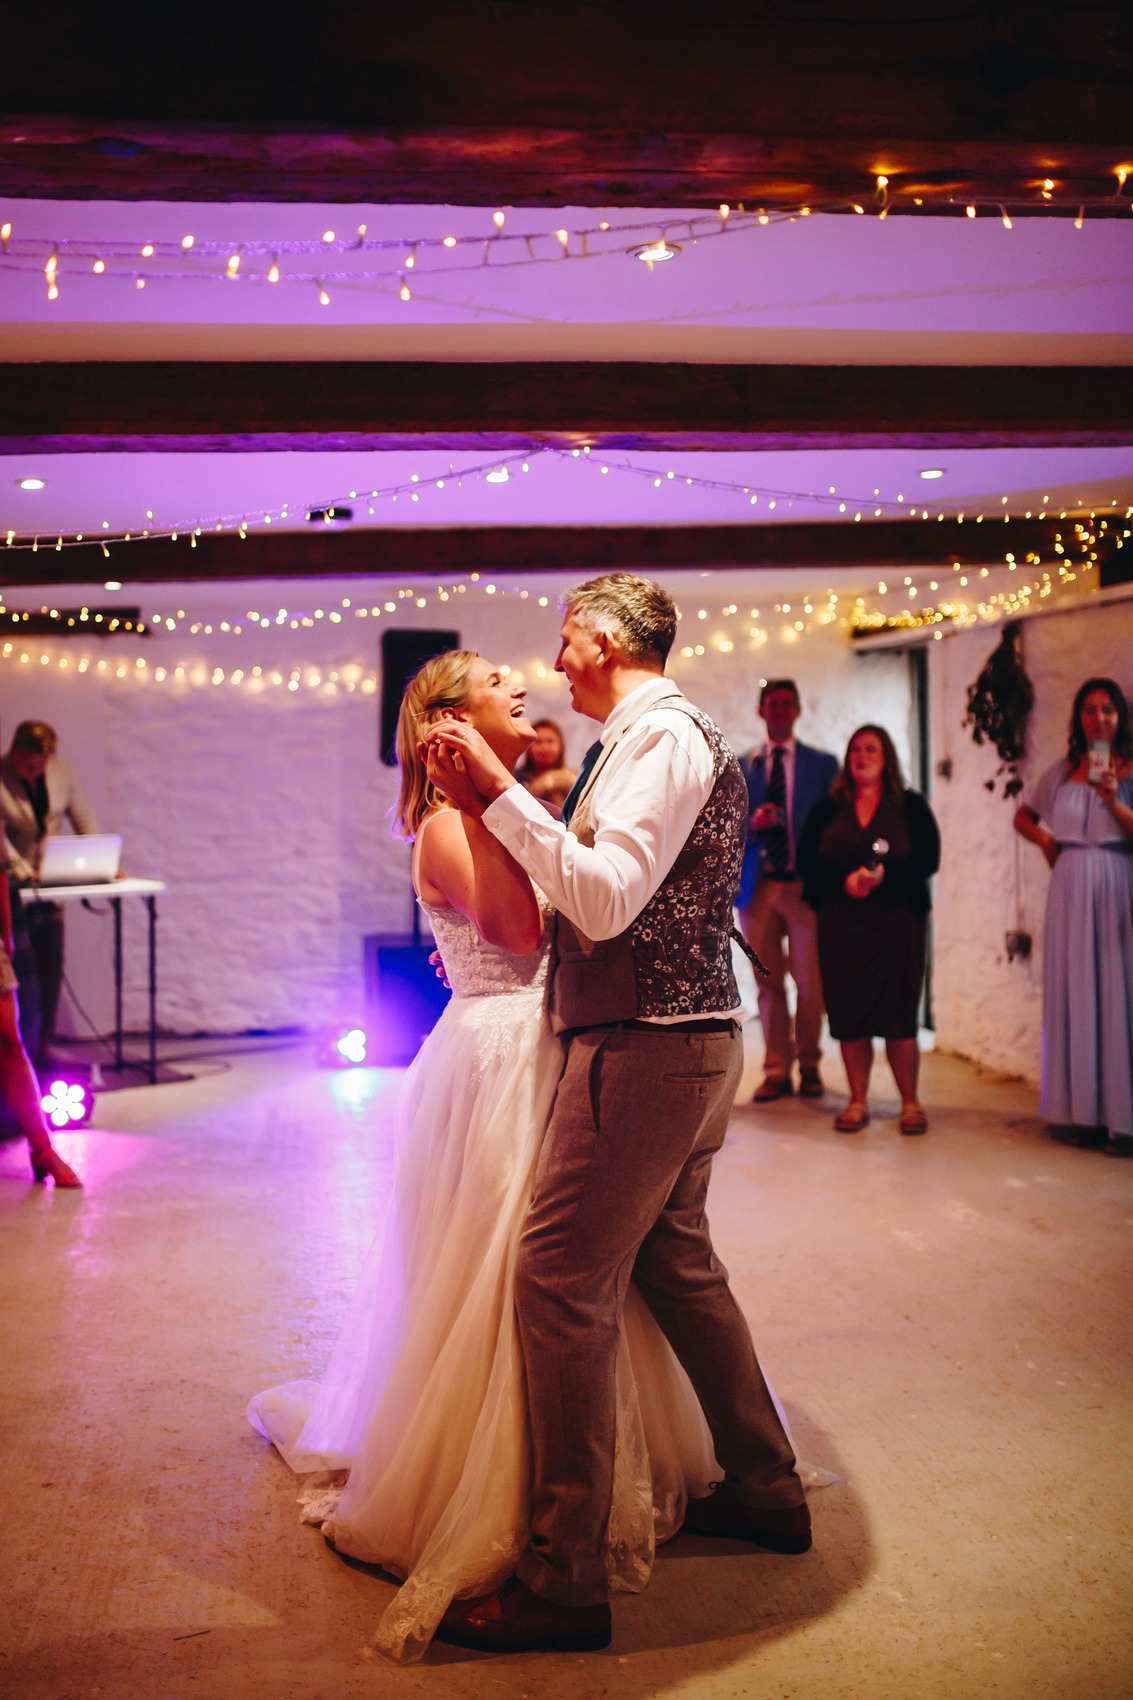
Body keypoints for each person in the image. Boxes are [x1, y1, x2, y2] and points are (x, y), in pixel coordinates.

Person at [248, 650, 733, 1663]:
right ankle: (504, 1490)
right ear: (448, 723)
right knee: (513, 1268)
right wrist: (486, 804)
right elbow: (517, 939)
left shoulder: (501, 805)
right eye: (499, 688)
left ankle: (577, 1479)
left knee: (567, 1268)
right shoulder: (444, 821)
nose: (524, 693)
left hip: (543, 1037)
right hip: (500, 1053)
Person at [423, 573, 809, 1656]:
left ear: (599, 639)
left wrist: (500, 790)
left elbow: (600, 901)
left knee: (555, 1277)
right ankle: (767, 1486)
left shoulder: (659, 739)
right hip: (673, 1039)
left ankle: (562, 1575)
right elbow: (595, 889)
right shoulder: (636, 739)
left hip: (647, 1048)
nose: (551, 660)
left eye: (561, 638)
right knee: (674, 1262)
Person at [796, 725, 940, 1135]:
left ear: (887, 757)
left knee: (899, 1011)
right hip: (842, 925)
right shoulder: (828, 807)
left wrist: (884, 877)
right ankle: (857, 1101)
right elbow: (807, 860)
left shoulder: (910, 805)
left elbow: (928, 859)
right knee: (849, 1010)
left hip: (897, 924)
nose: (862, 756)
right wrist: (844, 880)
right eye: (855, 750)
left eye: (870, 749)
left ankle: (910, 1102)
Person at [1013, 678, 1133, 1155]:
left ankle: (1121, 1119)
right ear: (1078, 719)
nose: (1098, 718)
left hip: (1116, 880)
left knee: (1117, 995)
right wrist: (1046, 841)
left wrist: (1113, 800)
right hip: (1068, 885)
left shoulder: (1126, 769)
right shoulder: (1063, 771)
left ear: (1120, 717)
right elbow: (1024, 815)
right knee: (1074, 993)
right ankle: (1078, 1112)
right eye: (1089, 710)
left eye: (1107, 710)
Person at [739, 679, 839, 1102]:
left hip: (804, 885)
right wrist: (751, 826)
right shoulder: (743, 765)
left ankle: (811, 1064)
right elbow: (725, 824)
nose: (779, 711)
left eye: (786, 704)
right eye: (772, 704)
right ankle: (776, 1069)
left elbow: (836, 824)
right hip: (758, 888)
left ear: (798, 710)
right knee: (767, 982)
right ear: (761, 710)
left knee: (811, 982)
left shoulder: (823, 765)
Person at [0, 729, 81, 1187]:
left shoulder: (59, 774)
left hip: (15, 906)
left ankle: (43, 1149)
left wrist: (7, 938)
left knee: (10, 1043)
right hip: (22, 879)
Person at [0, 720, 99, 1060]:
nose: (34, 770)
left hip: (50, 885)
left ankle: (44, 1042)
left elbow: (84, 818)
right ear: (14, 753)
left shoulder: (63, 773)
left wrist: (98, 857)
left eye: (41, 764)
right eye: (28, 764)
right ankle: (19, 1046)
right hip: (13, 886)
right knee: (22, 968)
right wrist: (26, 872)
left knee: (51, 962)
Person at [515, 717, 577, 811]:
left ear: (560, 746)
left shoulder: (575, 780)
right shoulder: (515, 779)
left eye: (550, 741)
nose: (544, 748)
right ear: (529, 747)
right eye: (538, 742)